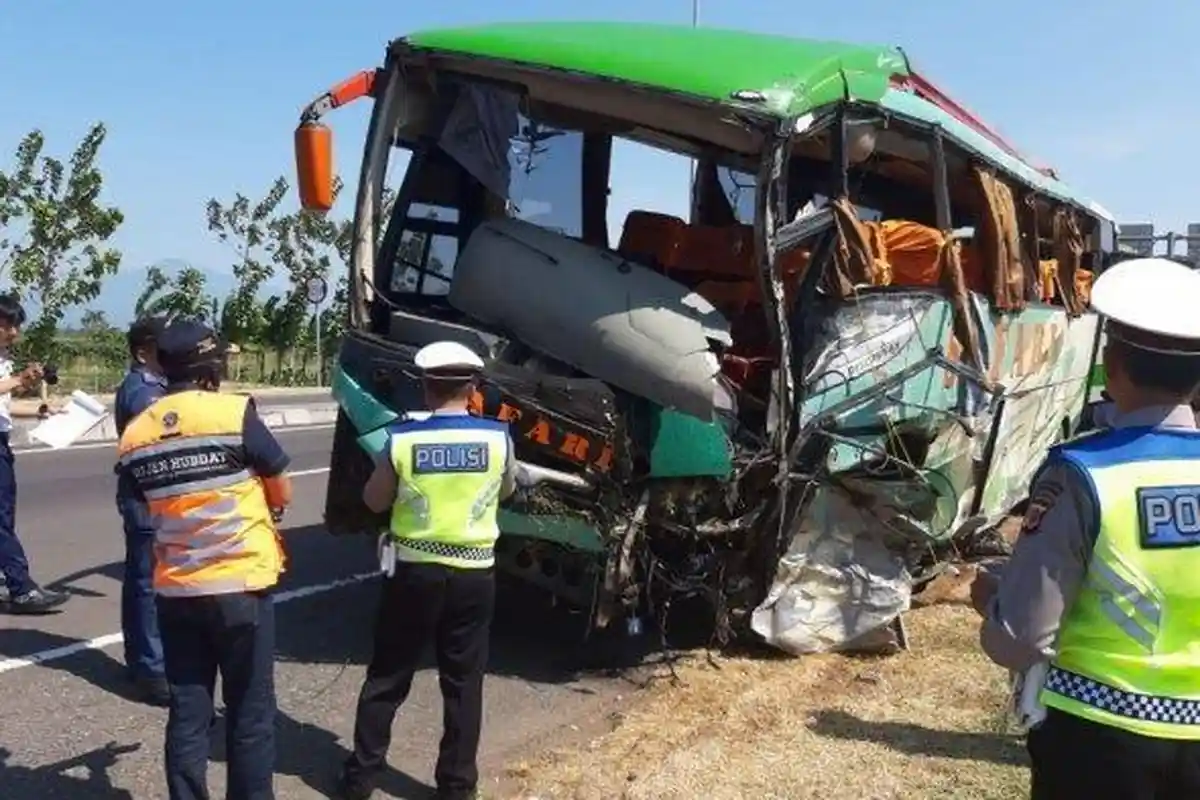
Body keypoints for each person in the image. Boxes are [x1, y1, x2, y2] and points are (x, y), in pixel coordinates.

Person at [972, 256, 1200, 799]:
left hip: (1096, 737)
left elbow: (1020, 639)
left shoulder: (1081, 474)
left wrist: (991, 600)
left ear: (1111, 361)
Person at [116, 319, 293, 800]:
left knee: (189, 712)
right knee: (249, 713)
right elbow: (282, 486)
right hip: (240, 586)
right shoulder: (233, 414)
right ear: (211, 366)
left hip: (175, 590)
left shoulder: (136, 434)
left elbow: (140, 498)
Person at [337, 341, 520, 800]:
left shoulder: (403, 439)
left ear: (424, 387)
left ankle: (361, 777)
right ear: (473, 387)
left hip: (414, 573)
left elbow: (373, 501)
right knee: (462, 683)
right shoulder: (497, 438)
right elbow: (506, 492)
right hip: (475, 575)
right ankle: (457, 787)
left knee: (388, 676)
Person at [0, 293, 68, 614]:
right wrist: (17, 380)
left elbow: (4, 406)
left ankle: (4, 580)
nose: (14, 332)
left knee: (5, 514)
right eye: (8, 325)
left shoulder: (4, 360)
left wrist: (37, 412)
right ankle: (21, 588)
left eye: (16, 326)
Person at [114, 314, 170, 705]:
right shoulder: (143, 392)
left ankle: (141, 660)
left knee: (141, 582)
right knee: (147, 586)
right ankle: (151, 671)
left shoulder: (155, 385)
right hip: (145, 497)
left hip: (148, 497)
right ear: (143, 350)